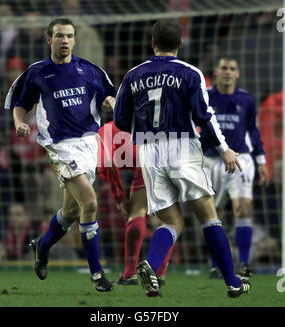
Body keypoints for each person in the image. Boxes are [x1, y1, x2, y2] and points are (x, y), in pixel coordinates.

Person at [114, 19, 250, 298]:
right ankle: (232, 283)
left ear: (152, 43)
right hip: (181, 147)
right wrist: (223, 148)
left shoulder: (133, 75)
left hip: (148, 152)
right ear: (181, 43)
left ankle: (150, 266)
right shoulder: (191, 73)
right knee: (209, 217)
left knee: (172, 221)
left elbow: (119, 119)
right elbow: (203, 115)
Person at [4, 18, 116, 292]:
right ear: (48, 39)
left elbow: (110, 96)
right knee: (89, 203)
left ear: (74, 40)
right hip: (60, 146)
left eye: (69, 36)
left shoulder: (89, 70)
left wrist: (110, 102)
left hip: (90, 143)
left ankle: (42, 247)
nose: (64, 40)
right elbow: (20, 103)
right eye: (59, 36)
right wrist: (19, 122)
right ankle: (97, 274)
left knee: (70, 211)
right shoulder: (38, 72)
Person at [200, 57, 269, 279]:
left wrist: (261, 161)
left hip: (241, 160)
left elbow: (253, 131)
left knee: (243, 208)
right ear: (216, 72)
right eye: (224, 68)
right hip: (211, 161)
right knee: (213, 214)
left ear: (237, 74)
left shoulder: (246, 99)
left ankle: (244, 263)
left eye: (232, 69)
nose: (228, 72)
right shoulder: (205, 96)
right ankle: (215, 264)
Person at [97, 121, 173, 285]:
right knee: (170, 219)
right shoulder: (153, 121)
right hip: (170, 154)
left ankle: (130, 273)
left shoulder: (106, 130)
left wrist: (119, 198)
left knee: (137, 212)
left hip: (150, 159)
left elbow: (108, 164)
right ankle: (159, 273)